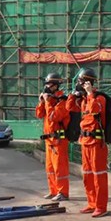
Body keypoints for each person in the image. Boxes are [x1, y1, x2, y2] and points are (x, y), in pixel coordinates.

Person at [66, 68, 108, 217]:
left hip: (96, 143)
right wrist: (73, 94)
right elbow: (69, 107)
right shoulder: (83, 100)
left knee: (98, 176)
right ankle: (92, 203)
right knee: (87, 175)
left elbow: (94, 109)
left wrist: (90, 93)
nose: (79, 84)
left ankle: (101, 207)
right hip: (85, 142)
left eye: (81, 81)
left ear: (88, 82)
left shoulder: (99, 98)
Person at [35, 72, 70, 201]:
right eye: (47, 85)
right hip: (49, 140)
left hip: (59, 140)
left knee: (60, 168)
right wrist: (41, 102)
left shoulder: (62, 100)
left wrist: (48, 102)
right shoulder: (49, 100)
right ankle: (53, 190)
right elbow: (39, 114)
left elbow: (53, 117)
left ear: (56, 86)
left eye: (49, 84)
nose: (47, 87)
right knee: (50, 168)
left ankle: (63, 192)